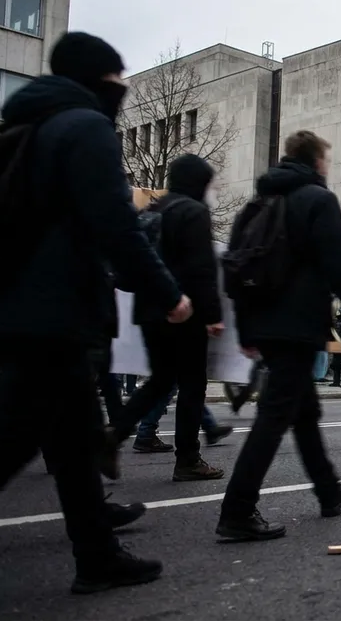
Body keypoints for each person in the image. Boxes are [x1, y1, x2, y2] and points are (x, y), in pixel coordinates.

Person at [0, 32, 190, 589]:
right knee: (8, 441)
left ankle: (97, 554)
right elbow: (114, 225)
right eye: (116, 79)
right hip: (51, 317)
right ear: (97, 80)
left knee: (74, 438)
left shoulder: (13, 139)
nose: (122, 90)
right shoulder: (85, 129)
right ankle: (96, 553)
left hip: (20, 314)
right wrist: (167, 295)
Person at [217, 130, 341, 540]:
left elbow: (236, 270)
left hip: (267, 327)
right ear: (316, 162)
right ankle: (237, 510)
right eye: (326, 159)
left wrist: (248, 329)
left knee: (304, 413)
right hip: (298, 325)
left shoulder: (257, 204)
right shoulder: (317, 201)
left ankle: (327, 490)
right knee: (273, 417)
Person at [102, 154, 224, 482]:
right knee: (193, 386)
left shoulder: (152, 210)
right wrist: (213, 314)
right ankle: (188, 459)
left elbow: (131, 264)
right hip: (185, 313)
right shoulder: (193, 212)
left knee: (160, 380)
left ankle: (116, 432)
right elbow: (202, 270)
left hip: (149, 311)